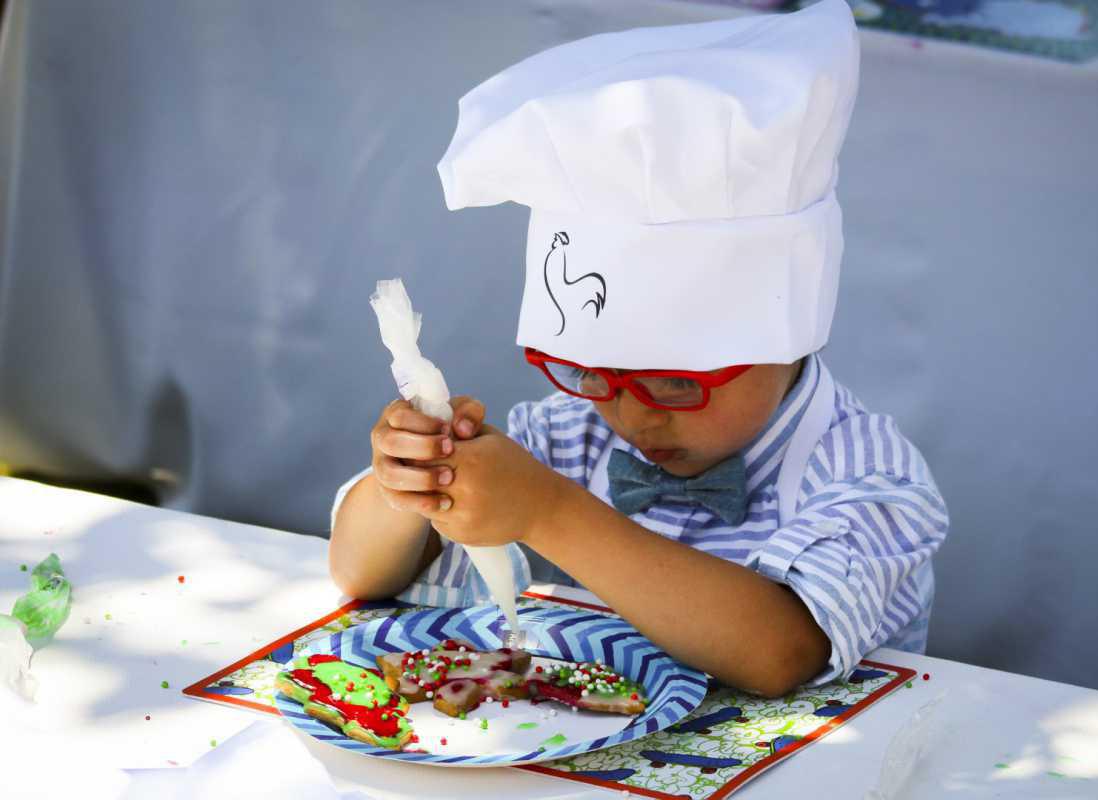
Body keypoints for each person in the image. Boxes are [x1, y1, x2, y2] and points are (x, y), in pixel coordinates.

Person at [329, 0, 948, 698]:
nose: (633, 418)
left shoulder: (869, 478)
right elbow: (359, 575)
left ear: (788, 336)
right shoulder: (568, 436)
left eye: (676, 384)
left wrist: (549, 512)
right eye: (590, 375)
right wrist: (407, 483)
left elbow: (780, 653)